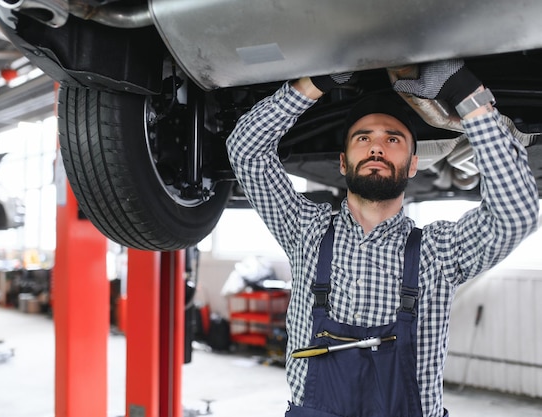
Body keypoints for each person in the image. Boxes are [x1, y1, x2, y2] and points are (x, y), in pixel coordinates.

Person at [225, 59, 539, 417]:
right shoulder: (305, 231)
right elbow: (246, 151)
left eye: (392, 139)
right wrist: (313, 82)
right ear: (343, 162)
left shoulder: (439, 252)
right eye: (364, 138)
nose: (377, 148)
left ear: (413, 163)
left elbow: (516, 214)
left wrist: (466, 96)